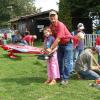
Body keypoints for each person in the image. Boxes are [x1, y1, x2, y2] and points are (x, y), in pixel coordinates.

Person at [47, 10, 73, 85]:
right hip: (60, 45)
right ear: (49, 17)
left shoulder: (60, 25)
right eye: (51, 16)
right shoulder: (51, 26)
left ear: (57, 16)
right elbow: (49, 37)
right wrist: (45, 47)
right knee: (59, 61)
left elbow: (58, 39)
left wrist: (50, 48)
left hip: (68, 44)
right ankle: (60, 76)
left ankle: (65, 79)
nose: (52, 17)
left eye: (54, 15)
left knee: (67, 62)